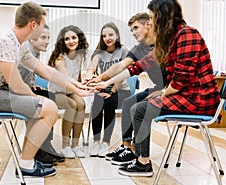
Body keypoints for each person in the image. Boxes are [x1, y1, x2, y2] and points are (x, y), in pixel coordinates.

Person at [92, 0, 219, 177]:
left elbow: (181, 80)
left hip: (198, 100)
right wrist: (104, 81)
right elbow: (138, 66)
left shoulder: (188, 34)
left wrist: (162, 93)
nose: (150, 22)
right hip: (185, 94)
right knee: (137, 107)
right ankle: (140, 159)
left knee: (140, 109)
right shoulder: (169, 40)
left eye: (151, 17)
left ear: (163, 15)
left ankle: (143, 163)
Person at [0, 2, 91, 178]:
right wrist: (38, 100)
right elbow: (16, 86)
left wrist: (75, 85)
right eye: (43, 24)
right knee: (49, 108)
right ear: (33, 25)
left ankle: (27, 159)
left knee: (42, 106)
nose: (44, 30)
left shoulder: (18, 43)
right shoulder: (4, 41)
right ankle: (26, 165)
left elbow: (44, 70)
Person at [88, 13, 163, 165]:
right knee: (129, 103)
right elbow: (122, 66)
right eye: (131, 29)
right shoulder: (138, 49)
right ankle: (126, 147)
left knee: (137, 107)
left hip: (169, 89)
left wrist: (107, 84)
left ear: (148, 25)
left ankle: (139, 154)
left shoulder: (163, 45)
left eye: (136, 28)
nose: (134, 32)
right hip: (158, 88)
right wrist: (100, 79)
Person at [18, 24, 65, 165]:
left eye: (48, 38)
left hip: (25, 88)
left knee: (50, 96)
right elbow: (16, 76)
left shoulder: (35, 52)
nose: (47, 41)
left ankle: (46, 144)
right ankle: (39, 149)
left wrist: (32, 85)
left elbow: (29, 73)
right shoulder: (24, 50)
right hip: (16, 91)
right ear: (31, 38)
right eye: (43, 37)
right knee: (43, 103)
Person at [84, 22, 131, 158]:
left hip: (121, 90)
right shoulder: (99, 53)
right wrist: (89, 78)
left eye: (111, 35)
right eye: (104, 35)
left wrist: (112, 91)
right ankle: (96, 141)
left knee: (109, 101)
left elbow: (122, 75)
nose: (107, 38)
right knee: (98, 102)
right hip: (103, 87)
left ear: (117, 35)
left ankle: (106, 142)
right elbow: (92, 67)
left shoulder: (124, 51)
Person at [48, 25, 89, 158]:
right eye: (67, 39)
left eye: (74, 37)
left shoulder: (80, 55)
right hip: (56, 93)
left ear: (79, 39)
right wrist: (79, 87)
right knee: (72, 105)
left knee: (81, 104)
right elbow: (66, 77)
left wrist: (85, 84)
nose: (71, 41)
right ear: (62, 41)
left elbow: (77, 76)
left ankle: (75, 145)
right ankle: (65, 146)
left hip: (70, 91)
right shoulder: (59, 57)